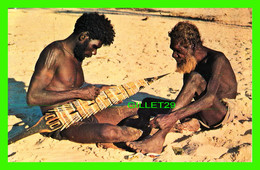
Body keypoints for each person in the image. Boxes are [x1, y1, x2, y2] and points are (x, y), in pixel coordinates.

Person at [26, 13, 143, 144]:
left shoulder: (77, 54)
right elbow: (33, 97)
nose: (94, 53)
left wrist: (100, 90)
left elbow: (69, 85)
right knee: (110, 132)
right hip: (62, 122)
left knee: (137, 108)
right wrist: (78, 93)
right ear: (83, 37)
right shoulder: (54, 52)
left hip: (86, 111)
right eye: (94, 47)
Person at [126, 21, 238, 154]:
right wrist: (173, 115)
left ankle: (159, 138)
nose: (174, 55)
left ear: (192, 46)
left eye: (178, 51)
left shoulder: (217, 59)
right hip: (199, 110)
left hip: (220, 113)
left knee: (195, 79)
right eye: (173, 50)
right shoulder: (189, 63)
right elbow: (182, 100)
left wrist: (172, 117)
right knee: (148, 103)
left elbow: (210, 98)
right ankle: (144, 128)